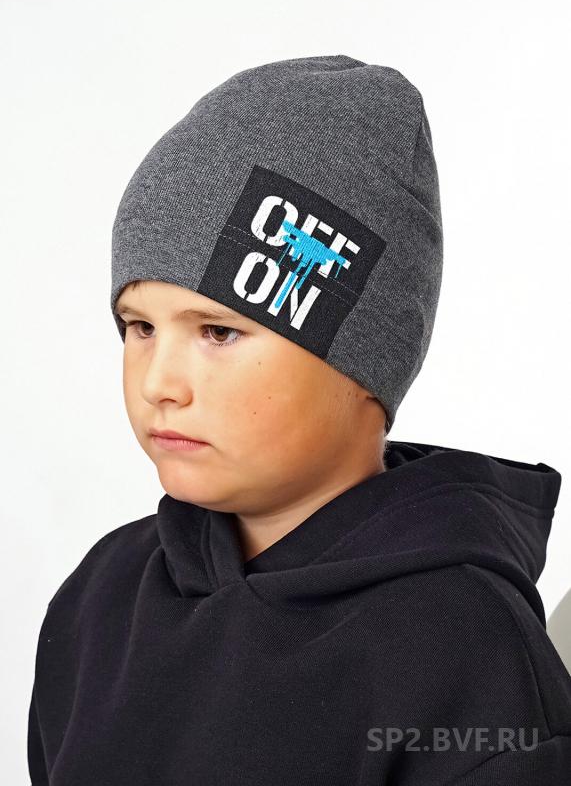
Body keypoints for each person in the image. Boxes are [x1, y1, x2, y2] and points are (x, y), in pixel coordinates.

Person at [27, 54, 571, 785]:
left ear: (363, 363)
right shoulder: (103, 595)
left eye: (218, 332)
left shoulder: (460, 645)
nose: (158, 383)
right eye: (139, 326)